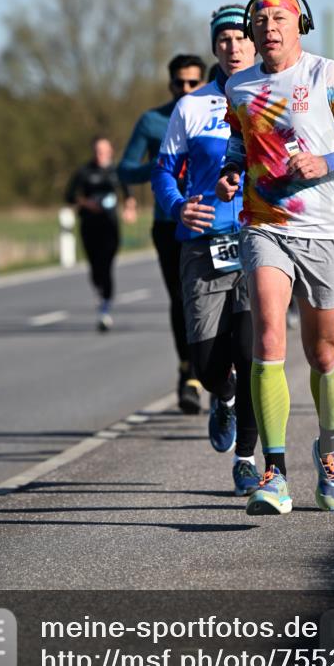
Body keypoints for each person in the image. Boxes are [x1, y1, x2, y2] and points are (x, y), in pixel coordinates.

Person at [216, 0, 334, 516]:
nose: (268, 27)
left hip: (326, 230)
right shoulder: (238, 84)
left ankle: (329, 452)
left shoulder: (327, 75)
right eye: (260, 20)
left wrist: (328, 162)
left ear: (299, 24)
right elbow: (237, 145)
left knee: (323, 353)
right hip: (264, 224)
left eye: (279, 18)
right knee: (268, 334)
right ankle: (275, 473)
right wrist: (228, 173)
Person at [152, 5, 262, 496]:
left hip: (259, 241)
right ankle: (223, 396)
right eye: (225, 39)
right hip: (203, 244)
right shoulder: (192, 106)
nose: (234, 47)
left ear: (256, 42)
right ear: (214, 46)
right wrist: (179, 208)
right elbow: (161, 171)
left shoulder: (271, 97)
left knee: (254, 353)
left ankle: (246, 460)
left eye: (242, 37)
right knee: (209, 366)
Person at [118, 55, 207, 413]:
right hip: (169, 222)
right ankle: (188, 373)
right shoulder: (153, 121)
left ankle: (215, 370)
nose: (185, 89)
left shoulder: (217, 112)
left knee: (216, 299)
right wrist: (159, 169)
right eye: (179, 84)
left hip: (210, 219)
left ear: (202, 82)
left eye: (193, 83)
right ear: (170, 84)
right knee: (181, 298)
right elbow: (125, 169)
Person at [65, 136, 136, 332]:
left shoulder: (116, 171)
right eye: (97, 150)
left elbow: (128, 194)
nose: (100, 154)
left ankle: (105, 307)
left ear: (110, 151)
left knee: (107, 264)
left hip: (110, 225)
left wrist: (129, 209)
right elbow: (69, 196)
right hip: (89, 224)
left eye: (103, 150)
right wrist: (87, 203)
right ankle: (100, 290)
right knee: (95, 267)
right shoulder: (84, 171)